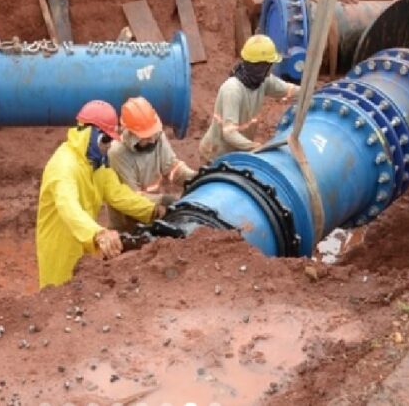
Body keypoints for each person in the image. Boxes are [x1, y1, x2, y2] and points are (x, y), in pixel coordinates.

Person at [36, 100, 165, 289]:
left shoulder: (96, 165)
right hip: (60, 249)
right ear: (94, 135)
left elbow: (118, 194)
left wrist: (153, 210)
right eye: (107, 140)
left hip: (84, 244)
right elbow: (69, 208)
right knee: (55, 300)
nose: (109, 146)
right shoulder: (64, 166)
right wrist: (99, 234)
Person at [199, 34, 300, 161]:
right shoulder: (232, 90)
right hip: (216, 155)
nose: (270, 70)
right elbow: (229, 133)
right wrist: (255, 146)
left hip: (237, 152)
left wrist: (312, 92)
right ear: (259, 67)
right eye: (269, 65)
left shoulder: (262, 81)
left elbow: (289, 90)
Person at [107, 97, 196, 232]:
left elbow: (172, 167)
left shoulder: (157, 136)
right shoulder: (118, 153)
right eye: (146, 137)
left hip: (152, 213)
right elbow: (131, 198)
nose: (152, 139)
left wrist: (195, 178)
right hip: (127, 222)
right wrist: (162, 200)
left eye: (153, 134)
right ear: (131, 133)